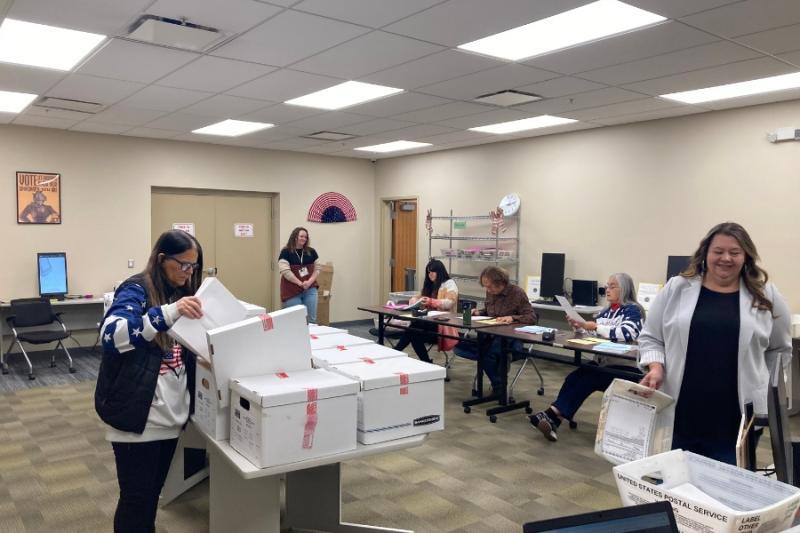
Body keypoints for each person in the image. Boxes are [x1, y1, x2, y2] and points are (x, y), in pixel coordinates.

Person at [638, 222, 791, 465]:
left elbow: (780, 350)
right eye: (718, 251)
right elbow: (651, 337)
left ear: (746, 257)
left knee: (724, 494)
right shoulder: (677, 288)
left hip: (737, 421)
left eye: (735, 252)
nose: (726, 258)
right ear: (706, 253)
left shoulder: (766, 295)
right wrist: (655, 367)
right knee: (671, 488)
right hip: (680, 414)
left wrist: (766, 391)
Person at [94, 229, 204, 533]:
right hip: (138, 417)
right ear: (161, 259)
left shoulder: (180, 293)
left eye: (192, 267)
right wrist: (168, 313)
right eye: (182, 265)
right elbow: (111, 337)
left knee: (148, 498)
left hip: (171, 416)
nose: (187, 273)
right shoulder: (137, 289)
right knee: (136, 501)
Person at [530, 273, 645, 442]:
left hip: (625, 367)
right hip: (604, 363)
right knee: (574, 377)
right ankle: (553, 419)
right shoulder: (606, 311)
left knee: (587, 378)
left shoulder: (634, 310)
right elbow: (592, 333)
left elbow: (626, 333)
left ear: (625, 289)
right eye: (607, 286)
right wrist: (580, 328)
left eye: (613, 286)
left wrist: (594, 326)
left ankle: (551, 416)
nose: (607, 290)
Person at [453, 266, 537, 392]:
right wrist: (478, 312)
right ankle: (499, 386)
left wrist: (512, 318)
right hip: (490, 334)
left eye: (490, 286)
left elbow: (531, 317)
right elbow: (489, 312)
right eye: (486, 287)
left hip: (511, 338)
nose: (488, 290)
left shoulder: (517, 293)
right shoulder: (491, 293)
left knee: (488, 354)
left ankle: (499, 388)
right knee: (463, 347)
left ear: (501, 283)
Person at [394, 259, 459, 362]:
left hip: (443, 325)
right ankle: (426, 362)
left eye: (432, 272)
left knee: (413, 331)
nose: (430, 274)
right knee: (414, 332)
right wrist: (415, 300)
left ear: (439, 271)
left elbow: (449, 302)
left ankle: (395, 352)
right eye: (428, 272)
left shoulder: (449, 284)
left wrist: (431, 302)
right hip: (428, 322)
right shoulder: (430, 284)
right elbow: (416, 297)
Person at [279, 226, 321, 323]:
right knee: (295, 320)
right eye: (301, 236)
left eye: (305, 237)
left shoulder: (311, 251)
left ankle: (311, 337)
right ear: (295, 237)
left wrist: (309, 282)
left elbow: (317, 269)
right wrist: (299, 283)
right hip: (291, 290)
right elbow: (285, 271)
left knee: (311, 320)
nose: (304, 239)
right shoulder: (286, 252)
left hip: (310, 289)